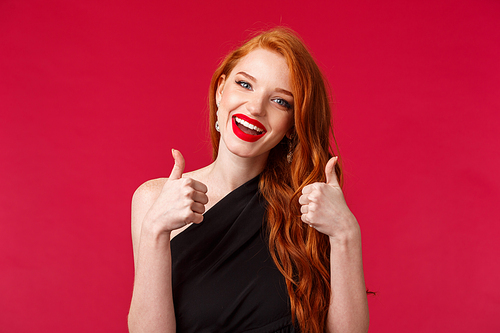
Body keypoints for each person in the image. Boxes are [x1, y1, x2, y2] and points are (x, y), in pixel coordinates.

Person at [128, 27, 369, 333]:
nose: (255, 108)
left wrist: (346, 233)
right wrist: (154, 231)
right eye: (245, 85)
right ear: (220, 91)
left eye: (280, 101)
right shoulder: (153, 199)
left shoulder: (310, 207)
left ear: (292, 126)